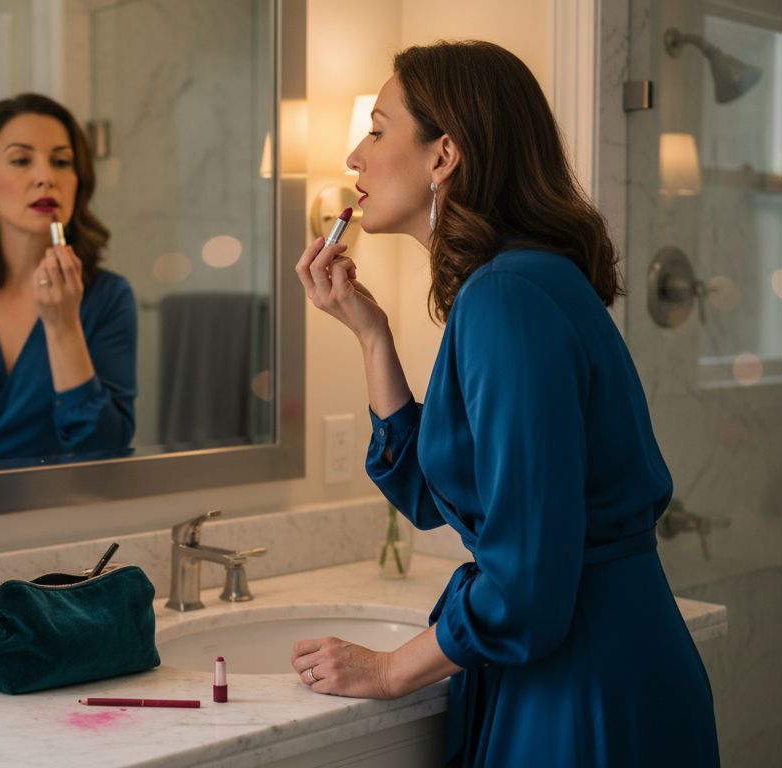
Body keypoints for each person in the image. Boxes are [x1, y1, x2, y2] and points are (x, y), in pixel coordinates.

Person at [290, 41, 719, 766]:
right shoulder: (514, 284)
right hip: (598, 661)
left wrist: (390, 670)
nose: (355, 157)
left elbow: (525, 583)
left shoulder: (507, 297)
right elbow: (436, 498)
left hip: (583, 687)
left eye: (377, 130)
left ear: (444, 155)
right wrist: (371, 336)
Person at [0, 94, 136, 472]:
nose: (46, 177)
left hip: (62, 506)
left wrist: (64, 326)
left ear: (78, 182)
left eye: (61, 162)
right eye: (21, 160)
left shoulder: (109, 297)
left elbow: (106, 450)